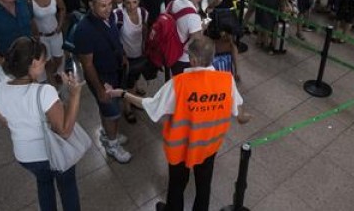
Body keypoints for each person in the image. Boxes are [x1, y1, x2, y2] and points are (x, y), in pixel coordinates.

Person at [105, 36, 250, 211]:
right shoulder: (226, 81)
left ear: (194, 60)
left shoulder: (178, 84)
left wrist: (122, 94)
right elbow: (240, 112)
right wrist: (244, 116)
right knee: (204, 187)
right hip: (208, 146)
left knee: (177, 185)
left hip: (181, 148)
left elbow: (150, 105)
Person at [0, 37, 84, 211]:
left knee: (44, 184)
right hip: (52, 154)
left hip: (25, 156)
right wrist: (75, 95)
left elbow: (3, 119)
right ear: (33, 63)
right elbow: (64, 131)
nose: (46, 63)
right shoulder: (44, 92)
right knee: (67, 186)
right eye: (43, 60)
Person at [74, 0, 132, 163]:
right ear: (91, 5)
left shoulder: (111, 16)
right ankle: (112, 145)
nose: (108, 9)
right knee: (111, 111)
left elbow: (114, 37)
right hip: (102, 77)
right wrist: (99, 89)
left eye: (109, 4)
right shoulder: (84, 30)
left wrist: (121, 54)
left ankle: (108, 135)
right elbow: (87, 64)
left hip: (115, 70)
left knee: (109, 109)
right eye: (102, 5)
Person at [113, 0, 150, 124]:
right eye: (128, 3)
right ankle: (127, 109)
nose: (132, 6)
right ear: (123, 3)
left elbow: (144, 29)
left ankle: (133, 96)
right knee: (126, 82)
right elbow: (114, 37)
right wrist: (121, 55)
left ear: (139, 1)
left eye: (134, 2)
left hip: (139, 54)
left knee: (133, 79)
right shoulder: (118, 15)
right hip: (125, 57)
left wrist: (145, 46)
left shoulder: (143, 13)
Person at [27, 0, 67, 85]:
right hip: (41, 37)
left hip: (56, 33)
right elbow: (29, 18)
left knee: (59, 58)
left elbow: (62, 8)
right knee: (48, 62)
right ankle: (52, 84)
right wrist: (34, 34)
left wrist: (60, 25)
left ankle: (54, 73)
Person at [169, 0, 205, 76]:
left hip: (171, 52)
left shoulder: (173, 3)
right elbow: (196, 40)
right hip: (184, 59)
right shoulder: (192, 16)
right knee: (185, 87)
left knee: (177, 82)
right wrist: (202, 27)